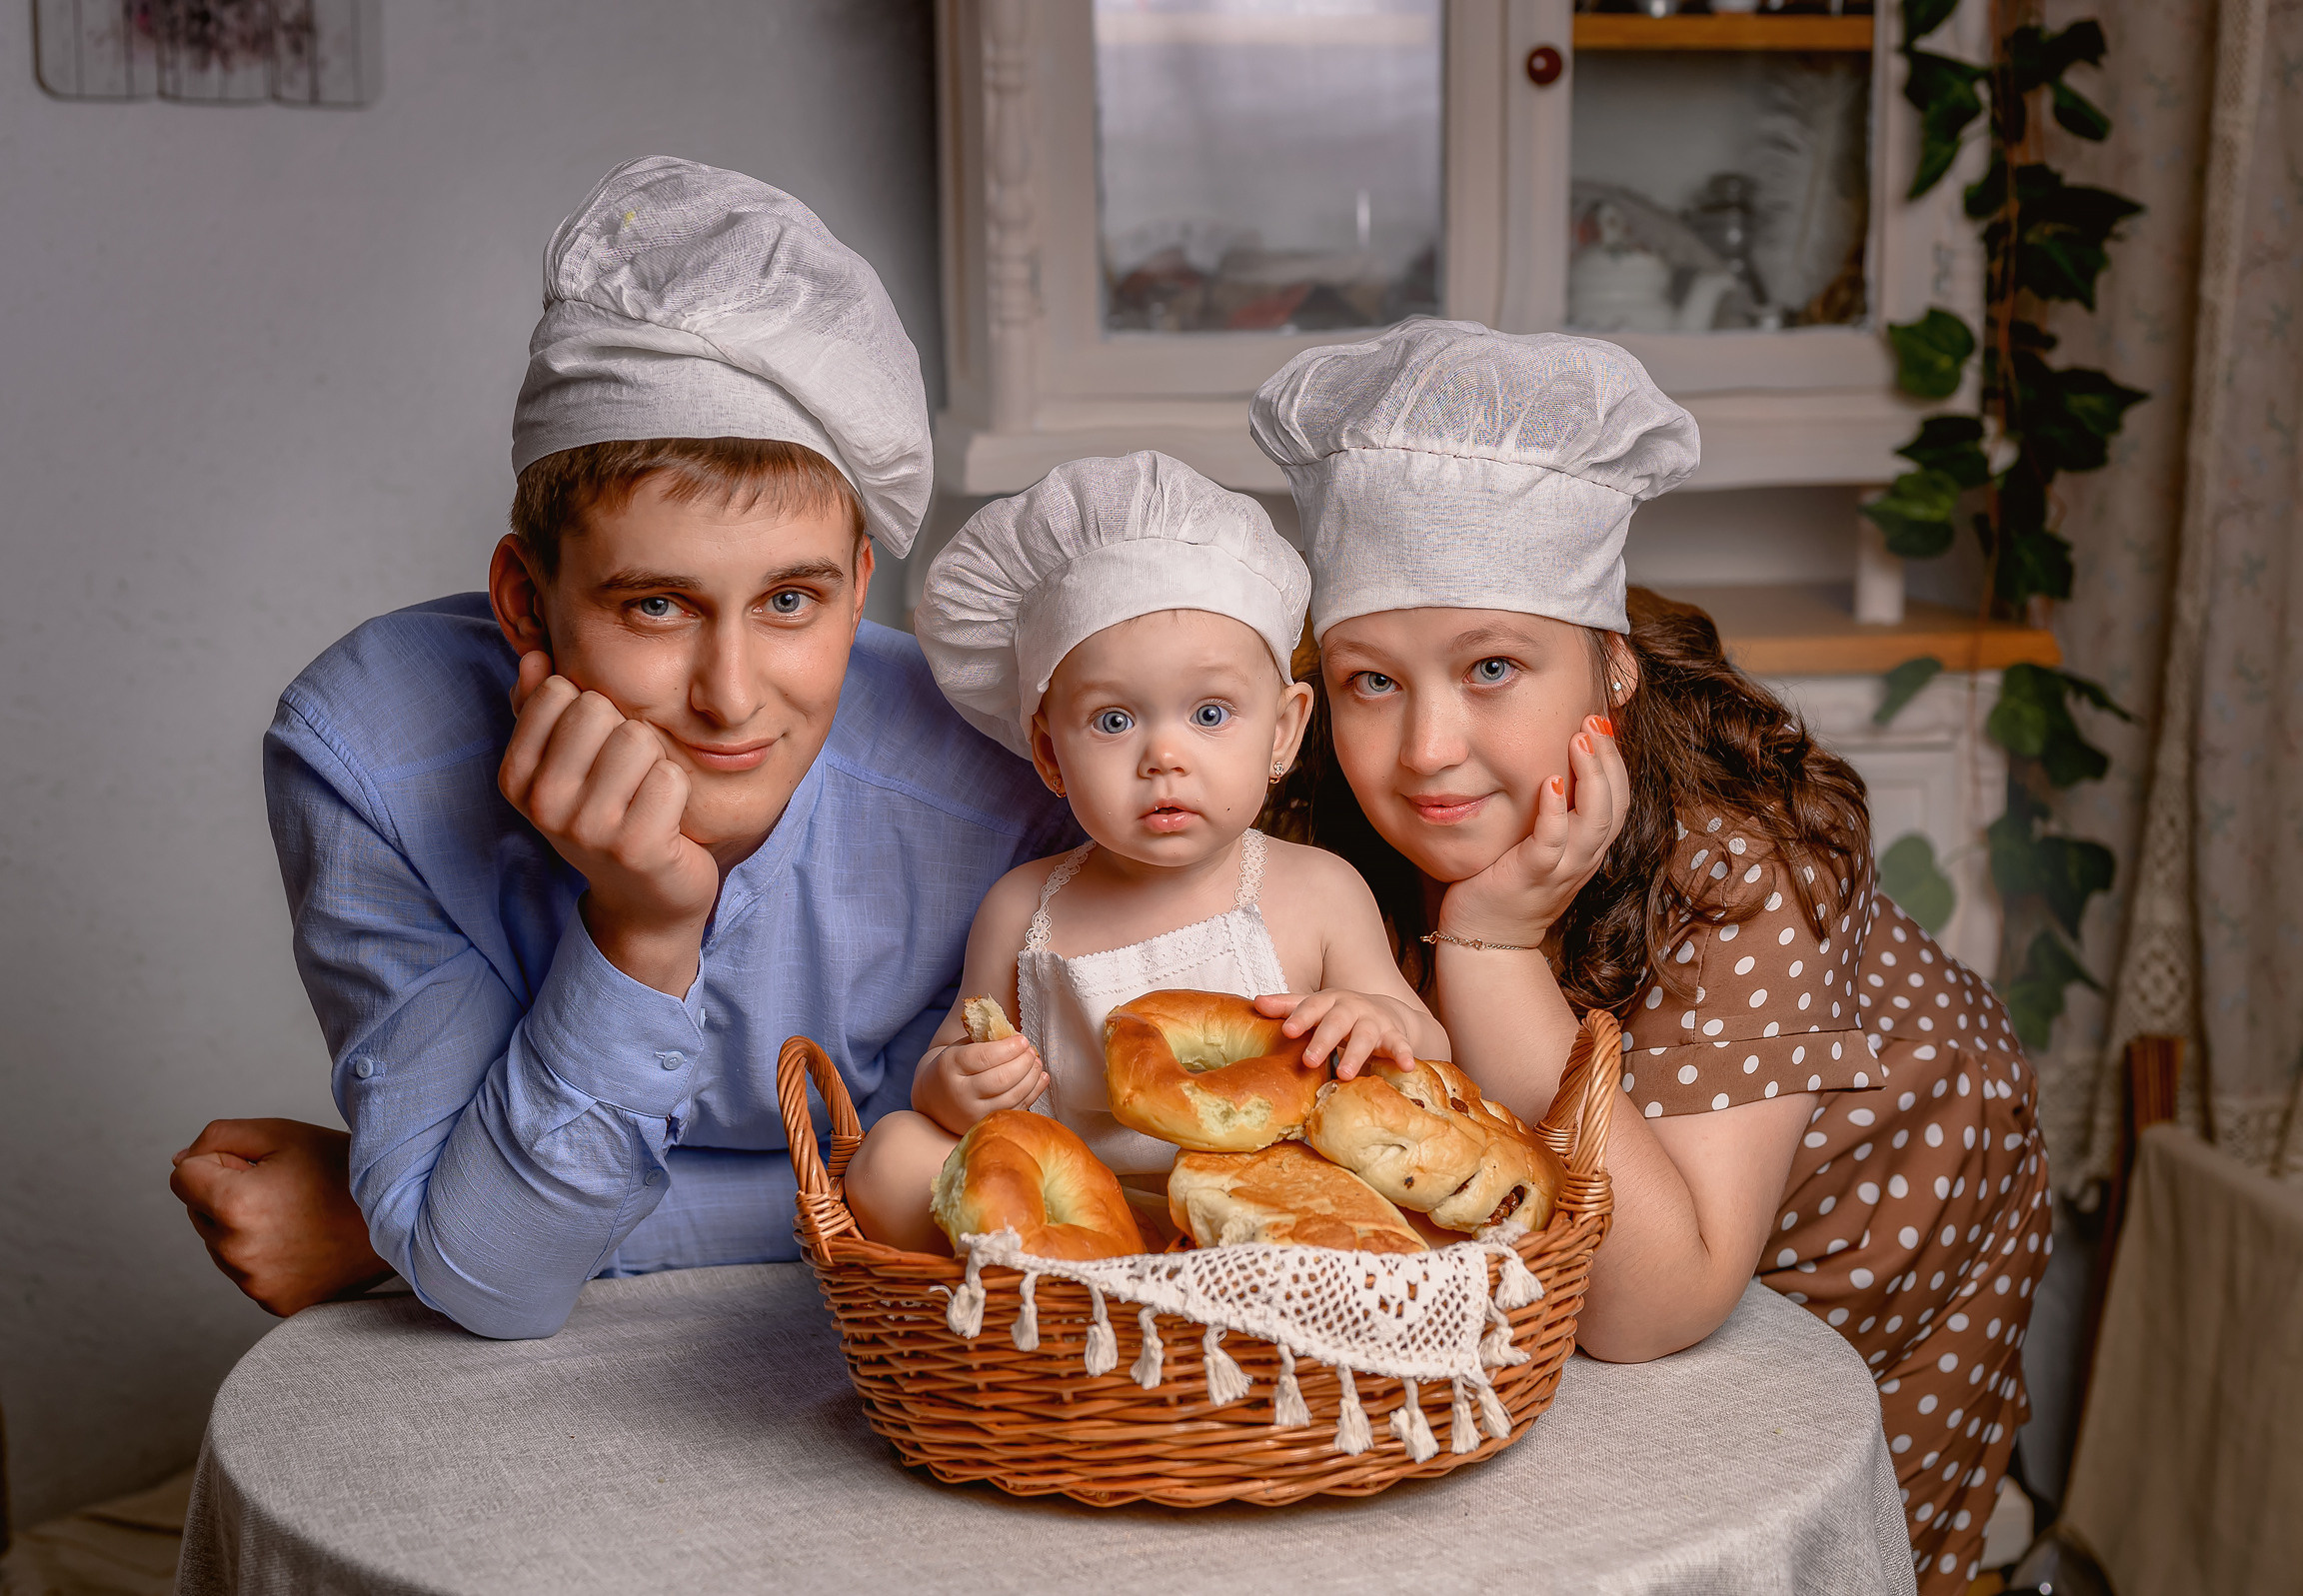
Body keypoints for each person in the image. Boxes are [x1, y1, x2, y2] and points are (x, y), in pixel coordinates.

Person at [168, 158, 1076, 1339]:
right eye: (657, 605)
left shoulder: (1001, 779)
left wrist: (384, 1218)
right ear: (526, 599)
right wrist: (641, 930)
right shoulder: (371, 753)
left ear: (861, 587)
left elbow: (968, 1197)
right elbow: (502, 1283)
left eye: (791, 602)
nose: (732, 694)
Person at [1251, 318, 2050, 1594]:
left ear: (1609, 672)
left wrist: (1496, 945)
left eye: (1494, 666)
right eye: (1370, 681)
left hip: (1862, 1224)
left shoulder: (1741, 860)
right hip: (1592, 1236)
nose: (1427, 750)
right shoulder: (1310, 818)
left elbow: (1652, 1306)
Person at [840, 452, 1447, 1252]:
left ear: (1285, 729)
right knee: (888, 1157)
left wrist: (1372, 1017)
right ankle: (1072, 1303)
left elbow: (1427, 1048)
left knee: (1414, 1197)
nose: (1164, 755)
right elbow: (953, 1055)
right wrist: (958, 1084)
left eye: (1209, 713)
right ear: (1051, 754)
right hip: (1076, 1214)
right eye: (1114, 721)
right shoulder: (1024, 908)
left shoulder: (1318, 889)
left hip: (1273, 1209)